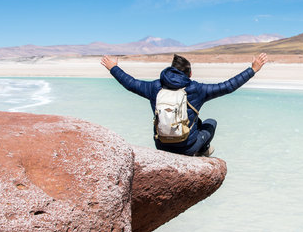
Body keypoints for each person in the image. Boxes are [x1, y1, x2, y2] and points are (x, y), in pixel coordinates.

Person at [101, 52, 268, 156]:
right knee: (210, 123)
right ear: (190, 73)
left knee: (198, 121)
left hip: (161, 145)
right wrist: (252, 69)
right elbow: (228, 86)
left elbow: (130, 83)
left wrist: (113, 67)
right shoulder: (197, 89)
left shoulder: (154, 87)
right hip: (187, 147)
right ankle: (203, 150)